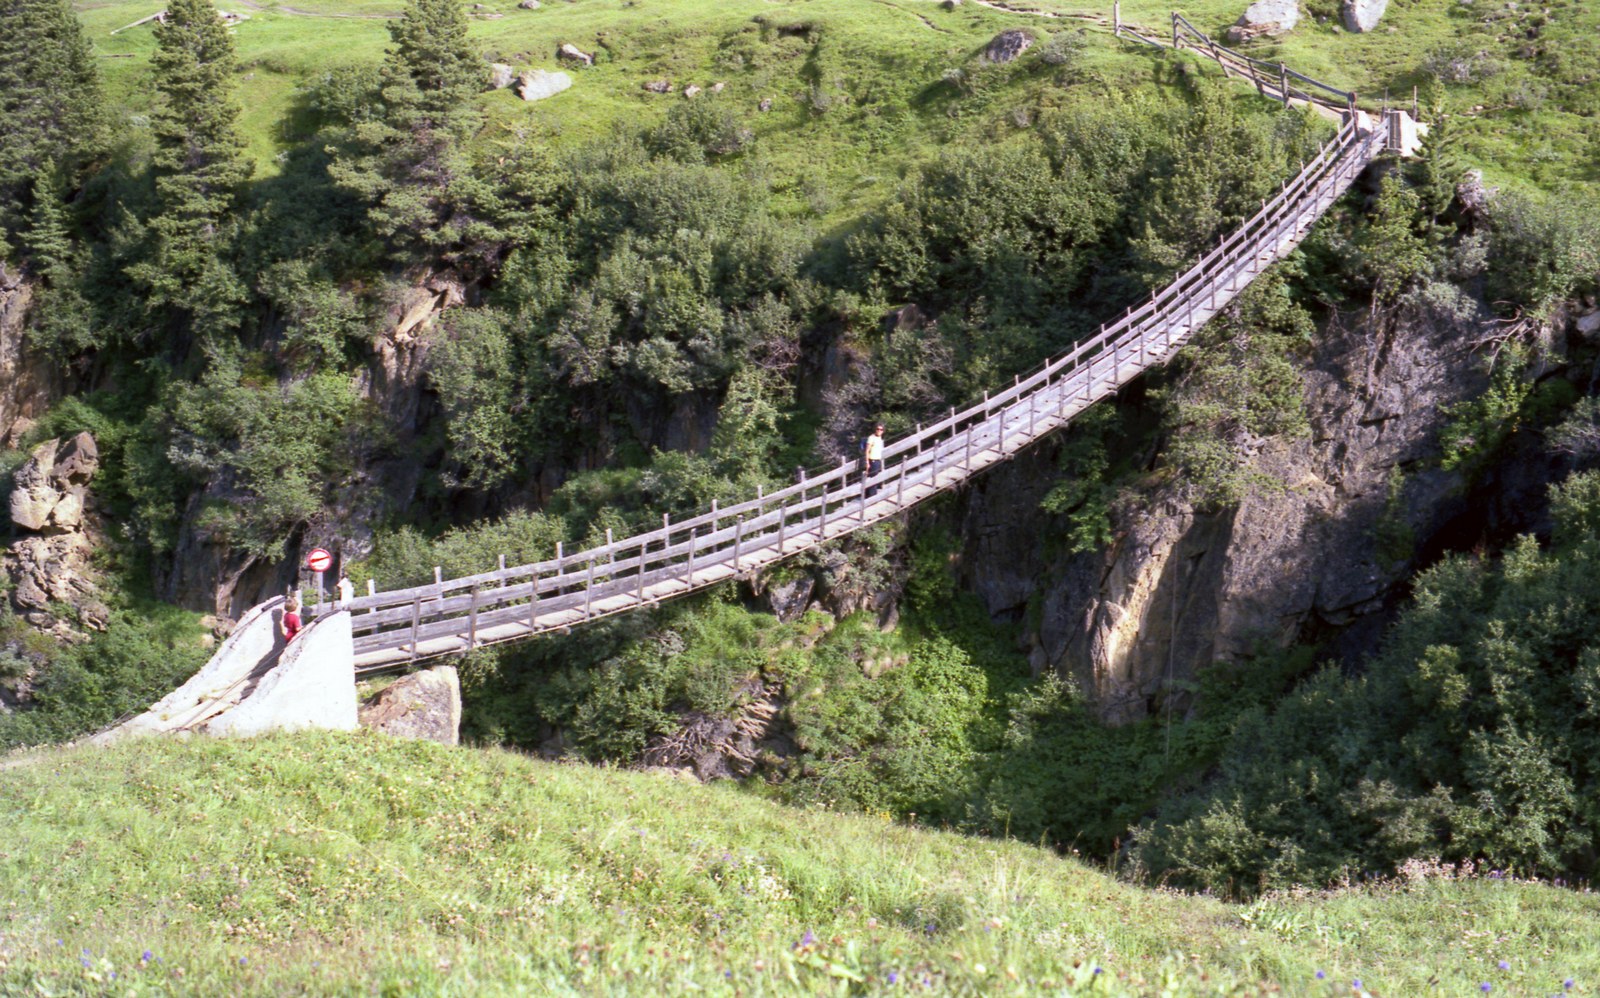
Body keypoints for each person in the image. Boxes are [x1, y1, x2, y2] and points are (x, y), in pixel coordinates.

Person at [863, 422, 885, 497]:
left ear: (883, 431)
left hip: (877, 460)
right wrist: (867, 462)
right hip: (872, 460)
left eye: (881, 429)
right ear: (875, 429)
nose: (879, 430)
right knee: (873, 479)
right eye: (878, 429)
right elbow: (867, 450)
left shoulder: (879, 438)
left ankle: (869, 496)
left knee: (874, 478)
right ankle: (872, 496)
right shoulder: (871, 438)